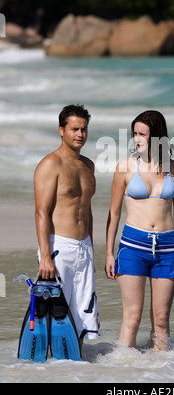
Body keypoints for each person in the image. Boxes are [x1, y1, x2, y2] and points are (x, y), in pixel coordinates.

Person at [105, 110, 174, 350]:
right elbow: (114, 213)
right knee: (132, 318)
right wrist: (108, 253)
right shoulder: (125, 167)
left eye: (142, 134)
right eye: (134, 133)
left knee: (161, 321)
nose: (136, 139)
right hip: (133, 246)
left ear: (157, 136)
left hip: (167, 248)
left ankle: (161, 375)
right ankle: (121, 372)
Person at [34, 104, 100, 344]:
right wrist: (45, 256)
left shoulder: (88, 166)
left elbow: (87, 211)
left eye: (83, 129)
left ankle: (77, 372)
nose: (80, 134)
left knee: (81, 320)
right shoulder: (51, 164)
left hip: (84, 248)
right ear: (61, 130)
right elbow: (42, 212)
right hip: (59, 247)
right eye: (74, 129)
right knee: (56, 317)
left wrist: (91, 248)